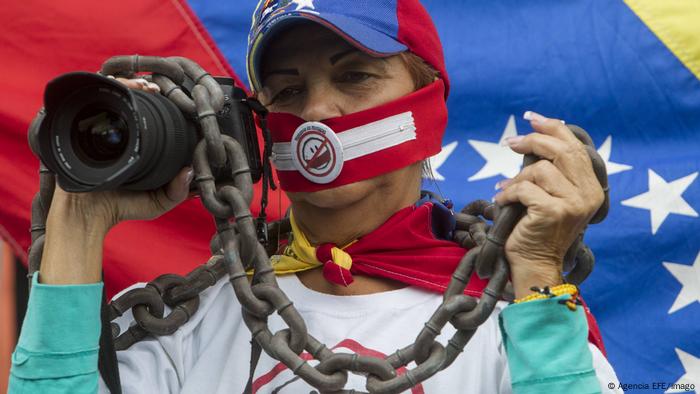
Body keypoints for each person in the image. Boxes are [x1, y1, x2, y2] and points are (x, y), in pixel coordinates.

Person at [9, 0, 620, 393]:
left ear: (427, 105)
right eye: (286, 89)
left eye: (354, 75)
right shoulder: (180, 328)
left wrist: (538, 271)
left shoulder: (516, 318)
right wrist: (76, 224)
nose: (319, 112)